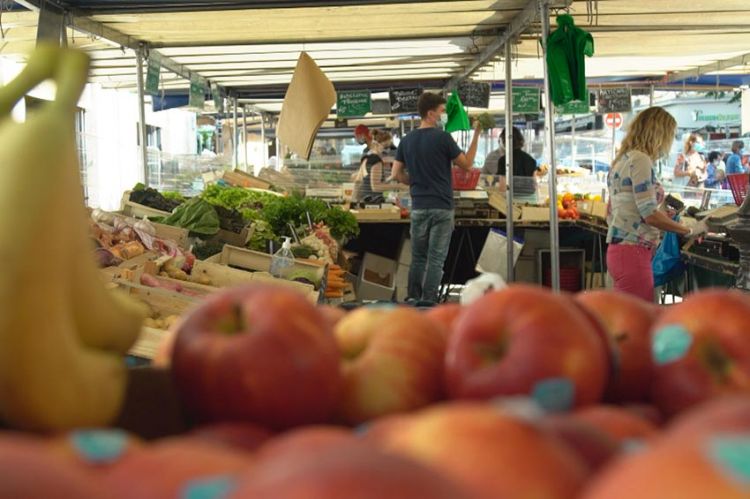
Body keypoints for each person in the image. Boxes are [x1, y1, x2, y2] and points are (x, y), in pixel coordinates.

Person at [607, 107, 707, 302]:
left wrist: (662, 218)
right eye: (670, 135)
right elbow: (649, 214)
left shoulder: (622, 160)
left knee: (628, 319)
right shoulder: (641, 160)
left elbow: (611, 212)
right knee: (639, 323)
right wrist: (688, 230)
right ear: (659, 134)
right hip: (633, 252)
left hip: (619, 251)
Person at [391, 92, 481, 303]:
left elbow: (396, 174)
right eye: (442, 111)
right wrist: (476, 134)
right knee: (436, 259)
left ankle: (413, 299)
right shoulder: (443, 138)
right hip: (441, 207)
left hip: (419, 207)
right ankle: (429, 302)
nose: (444, 115)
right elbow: (467, 165)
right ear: (431, 113)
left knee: (418, 258)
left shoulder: (407, 141)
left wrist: (411, 181)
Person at [352, 129, 403, 203]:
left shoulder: (366, 158)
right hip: (373, 202)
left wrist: (391, 177)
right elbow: (375, 187)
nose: (388, 150)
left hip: (364, 201)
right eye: (386, 146)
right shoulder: (376, 160)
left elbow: (359, 181)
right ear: (377, 144)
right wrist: (399, 186)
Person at [496, 126, 539, 196]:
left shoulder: (504, 160)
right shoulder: (531, 160)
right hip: (530, 199)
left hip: (511, 200)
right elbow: (534, 185)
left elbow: (503, 188)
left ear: (504, 141)